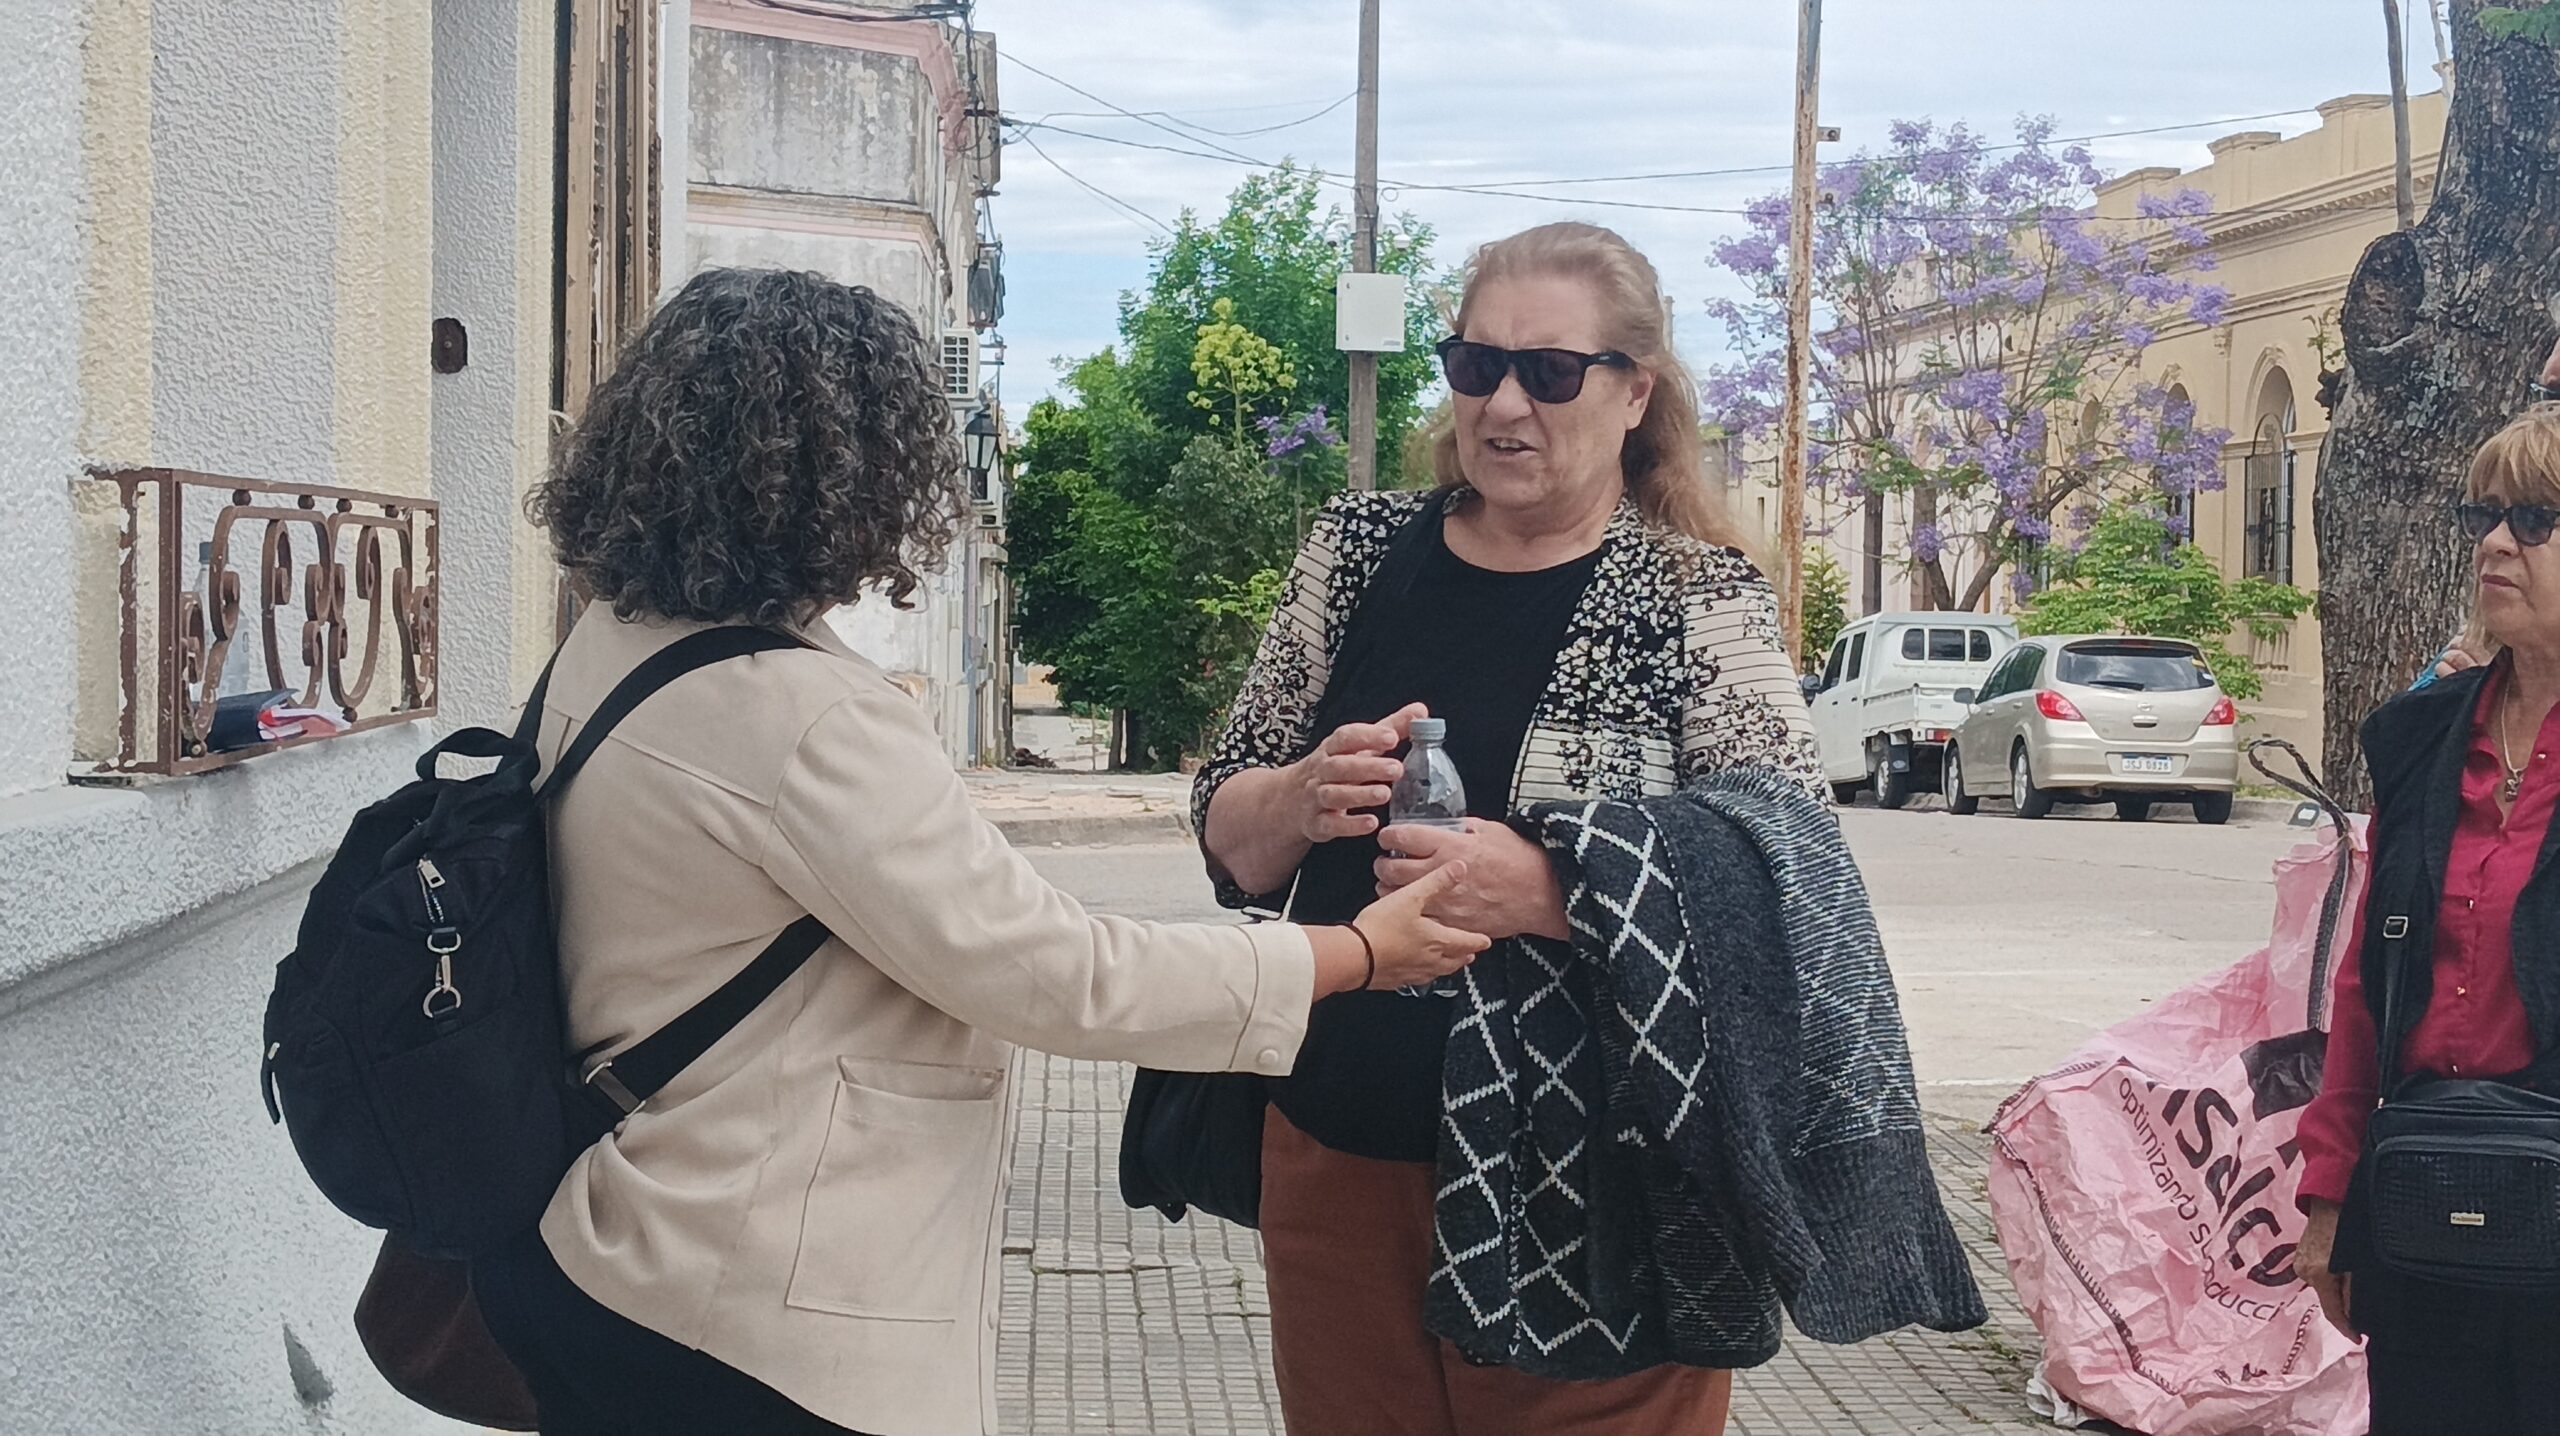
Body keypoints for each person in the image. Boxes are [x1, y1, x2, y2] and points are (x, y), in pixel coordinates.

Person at [468, 267, 1489, 1436]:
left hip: (611, 1240)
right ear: (849, 477)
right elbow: (1051, 969)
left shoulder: (610, 644)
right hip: (744, 1302)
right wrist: (1349, 953)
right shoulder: (799, 716)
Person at [1192, 223, 1980, 1436]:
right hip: (1341, 1150)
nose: (1505, 403)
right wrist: (1292, 797)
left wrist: (1554, 881)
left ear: (1632, 393)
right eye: (1475, 365)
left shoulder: (1692, 593)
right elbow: (1226, 831)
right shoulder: (1353, 555)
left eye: (1551, 372)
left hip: (1599, 1185)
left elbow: (1790, 878)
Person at [2296, 404, 2560, 1435]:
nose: (2495, 541)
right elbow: (2367, 985)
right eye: (2485, 514)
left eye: (2534, 519)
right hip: (2425, 1204)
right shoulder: (2421, 739)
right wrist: (2329, 1195)